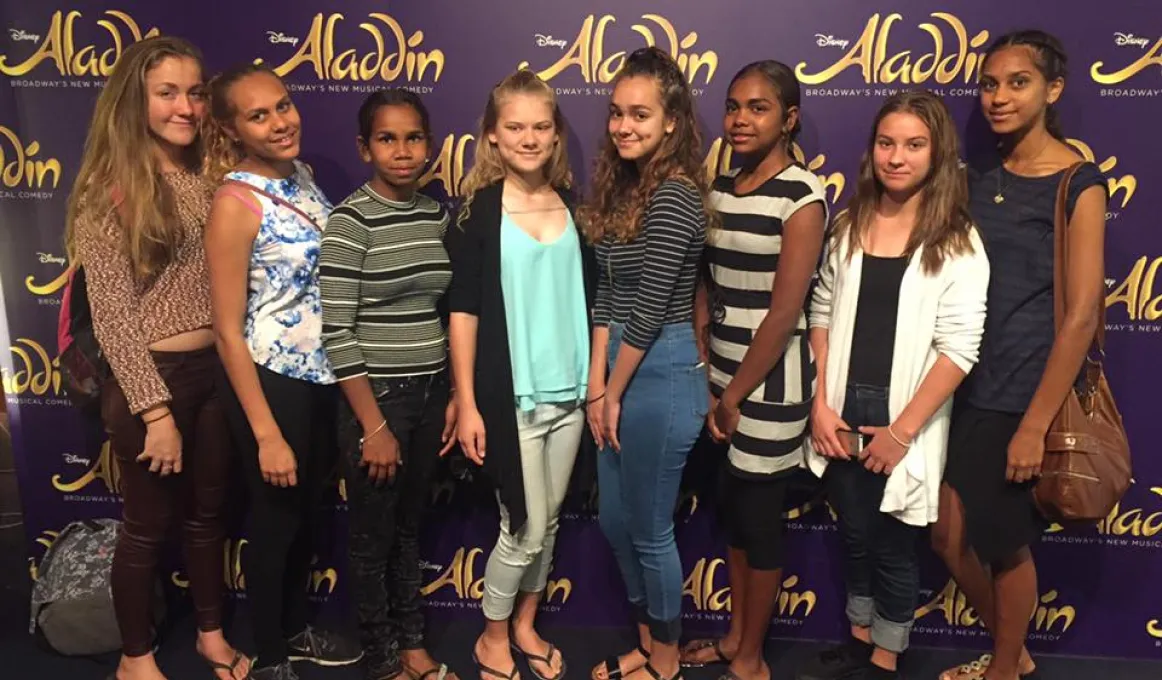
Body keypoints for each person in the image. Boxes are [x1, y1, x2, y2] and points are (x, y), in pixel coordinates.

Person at [65, 34, 250, 680]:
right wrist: (155, 412)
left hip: (218, 370)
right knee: (145, 527)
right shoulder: (108, 190)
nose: (186, 107)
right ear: (133, 100)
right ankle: (135, 657)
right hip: (153, 379)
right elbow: (113, 315)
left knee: (208, 516)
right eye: (167, 92)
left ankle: (209, 634)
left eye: (195, 92)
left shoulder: (210, 173)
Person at [796, 89, 990, 680]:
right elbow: (822, 310)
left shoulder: (957, 241)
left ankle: (885, 657)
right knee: (853, 532)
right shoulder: (849, 225)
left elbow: (960, 351)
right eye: (886, 143)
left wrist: (902, 434)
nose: (896, 157)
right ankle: (859, 638)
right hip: (841, 404)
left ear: (936, 154)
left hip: (904, 416)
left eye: (913, 145)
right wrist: (820, 403)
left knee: (893, 543)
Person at [933, 30, 1108, 680]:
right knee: (948, 534)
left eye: (1017, 83)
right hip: (963, 383)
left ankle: (1005, 669)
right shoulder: (976, 180)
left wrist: (1036, 423)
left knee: (1004, 545)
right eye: (989, 84)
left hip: (1024, 391)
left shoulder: (1079, 183)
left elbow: (1083, 313)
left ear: (1052, 90)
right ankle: (1016, 653)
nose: (998, 97)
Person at [203, 63, 362, 680]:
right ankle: (268, 657)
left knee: (303, 519)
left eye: (284, 106)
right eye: (259, 115)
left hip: (322, 378)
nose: (280, 122)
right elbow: (226, 329)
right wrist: (266, 432)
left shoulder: (303, 177)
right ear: (232, 128)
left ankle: (294, 630)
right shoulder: (233, 203)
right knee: (274, 522)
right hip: (270, 379)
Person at [682, 60, 828, 680]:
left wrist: (734, 394)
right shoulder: (719, 187)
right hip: (722, 381)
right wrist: (704, 357)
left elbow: (785, 309)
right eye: (734, 106)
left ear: (789, 118)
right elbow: (705, 284)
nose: (742, 119)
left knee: (761, 524)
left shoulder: (802, 196)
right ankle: (737, 637)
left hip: (769, 388)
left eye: (759, 107)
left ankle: (752, 657)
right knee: (737, 518)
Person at [444, 69, 593, 680]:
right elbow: (463, 312)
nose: (529, 139)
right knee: (523, 528)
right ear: (493, 136)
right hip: (513, 397)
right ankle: (491, 636)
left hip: (574, 393)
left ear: (555, 135)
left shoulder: (573, 207)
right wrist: (468, 400)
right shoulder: (478, 212)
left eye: (540, 126)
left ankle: (526, 624)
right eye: (515, 127)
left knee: (549, 521)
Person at [318, 88, 460, 680]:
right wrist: (374, 426)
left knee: (408, 528)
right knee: (373, 537)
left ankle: (413, 643)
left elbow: (447, 312)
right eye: (386, 138)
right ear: (364, 147)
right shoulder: (349, 223)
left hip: (429, 395)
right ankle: (381, 659)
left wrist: (451, 394)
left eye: (413, 138)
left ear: (429, 144)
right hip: (376, 400)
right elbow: (337, 334)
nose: (402, 151)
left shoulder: (436, 215)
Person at [580, 47, 712, 680]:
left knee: (650, 528)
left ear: (672, 123)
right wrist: (594, 387)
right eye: (615, 114)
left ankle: (664, 660)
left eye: (640, 114)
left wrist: (613, 391)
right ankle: (644, 638)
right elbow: (607, 294)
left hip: (662, 372)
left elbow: (655, 305)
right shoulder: (624, 189)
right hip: (620, 372)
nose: (624, 126)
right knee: (613, 520)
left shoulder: (678, 196)